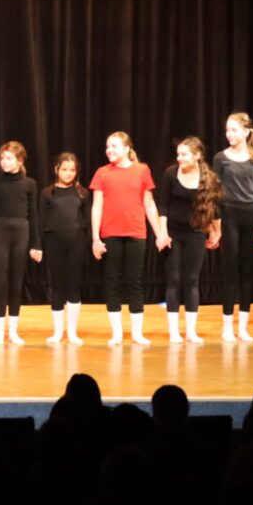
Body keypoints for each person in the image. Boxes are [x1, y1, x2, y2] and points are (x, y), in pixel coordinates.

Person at [90, 132, 168, 345]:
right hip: (110, 234)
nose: (109, 150)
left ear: (126, 148)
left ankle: (137, 333)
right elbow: (97, 207)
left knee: (135, 282)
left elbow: (149, 204)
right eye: (107, 146)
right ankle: (116, 333)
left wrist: (160, 233)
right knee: (112, 282)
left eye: (114, 146)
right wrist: (95, 238)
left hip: (136, 232)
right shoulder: (102, 173)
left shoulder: (142, 170)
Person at [156, 137, 222, 344]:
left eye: (184, 154)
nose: (179, 158)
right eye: (178, 154)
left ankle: (191, 331)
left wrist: (216, 232)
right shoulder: (170, 174)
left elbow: (214, 209)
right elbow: (162, 206)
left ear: (197, 155)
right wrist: (162, 233)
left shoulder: (209, 178)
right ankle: (174, 332)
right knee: (174, 280)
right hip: (173, 234)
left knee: (192, 280)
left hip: (196, 232)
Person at [212, 112, 253, 342]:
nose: (229, 134)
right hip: (229, 215)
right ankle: (227, 326)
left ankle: (243, 328)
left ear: (246, 131)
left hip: (251, 216)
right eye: (227, 130)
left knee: (247, 272)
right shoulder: (220, 158)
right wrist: (215, 227)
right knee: (230, 271)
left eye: (234, 130)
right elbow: (215, 195)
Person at [0, 141, 40, 346]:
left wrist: (36, 244)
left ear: (20, 160)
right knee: (1, 282)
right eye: (2, 158)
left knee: (16, 282)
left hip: (21, 231)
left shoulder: (29, 184)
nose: (4, 162)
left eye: (9, 158)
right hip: (1, 231)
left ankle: (13, 332)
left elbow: (34, 215)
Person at [40, 152, 90, 344]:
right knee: (57, 285)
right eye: (64, 169)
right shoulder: (47, 193)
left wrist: (91, 241)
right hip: (54, 243)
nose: (68, 173)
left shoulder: (82, 193)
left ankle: (72, 332)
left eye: (72, 170)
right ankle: (58, 332)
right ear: (56, 169)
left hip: (77, 242)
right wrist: (38, 245)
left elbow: (88, 220)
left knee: (74, 285)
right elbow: (41, 220)